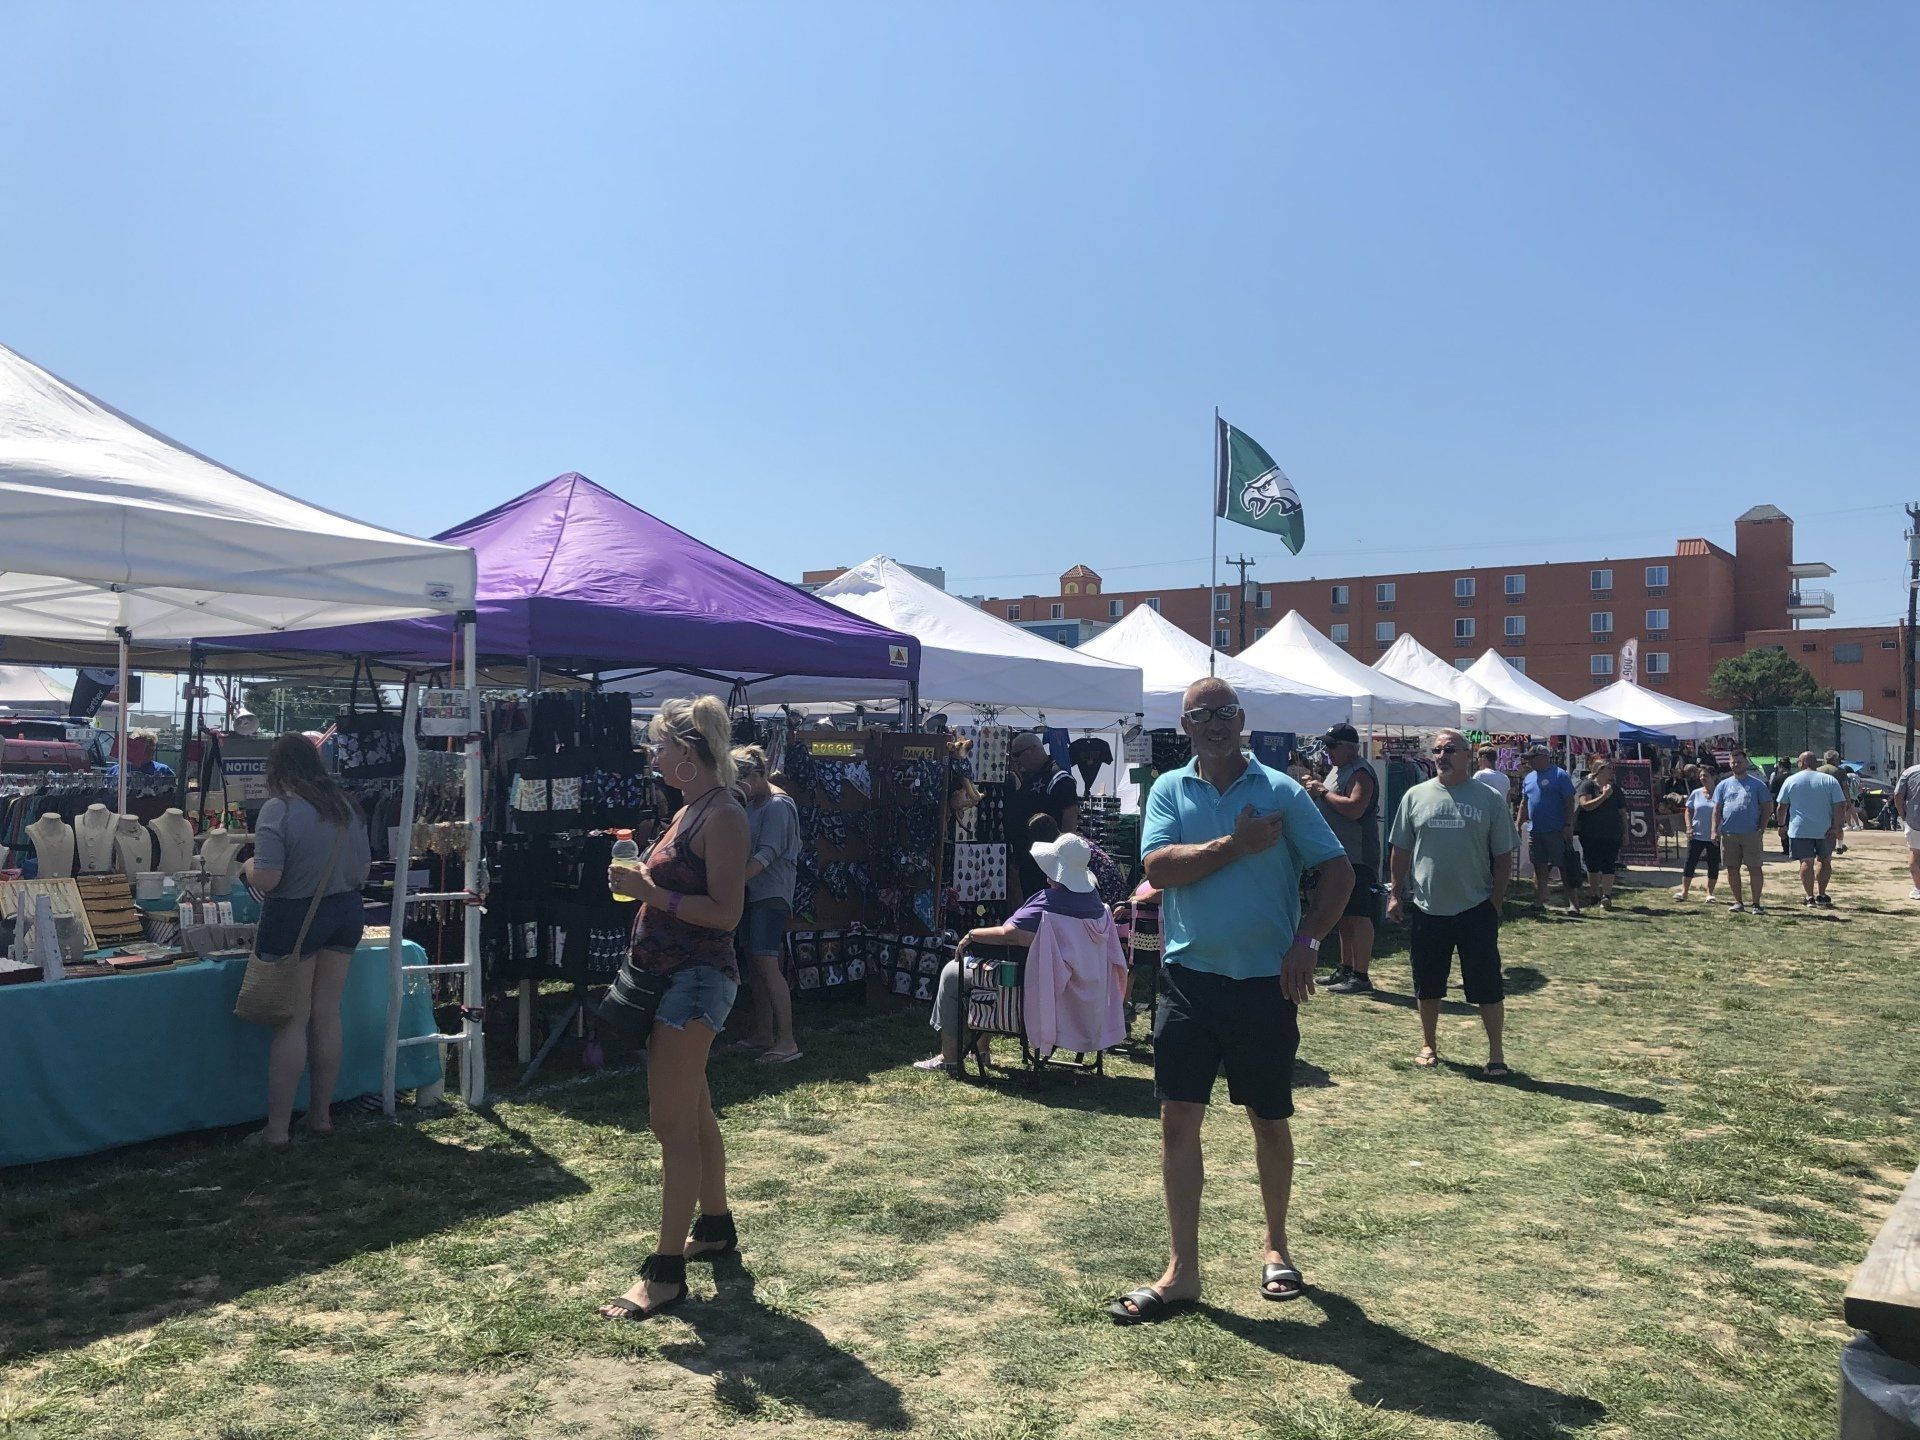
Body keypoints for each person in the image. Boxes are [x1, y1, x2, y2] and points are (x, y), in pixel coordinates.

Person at [1110, 677, 1354, 1324]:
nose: (1215, 723)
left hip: (1263, 985)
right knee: (1177, 1120)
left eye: (1225, 713)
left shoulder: (1280, 790)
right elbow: (1158, 870)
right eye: (1202, 715)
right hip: (1189, 979)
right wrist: (1235, 846)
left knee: (1269, 1120)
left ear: (1242, 719)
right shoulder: (1168, 788)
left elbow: (1338, 870)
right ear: (1185, 726)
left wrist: (1308, 938)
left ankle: (1276, 1245)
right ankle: (1181, 1271)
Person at [599, 696, 750, 1324]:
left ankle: (664, 1274)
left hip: (695, 982)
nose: (652, 757)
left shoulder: (725, 816)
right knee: (694, 1111)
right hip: (672, 977)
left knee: (671, 1125)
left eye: (658, 747)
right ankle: (714, 1227)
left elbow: (726, 914)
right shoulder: (693, 807)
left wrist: (650, 893)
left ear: (687, 755)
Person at [239, 734, 374, 1146]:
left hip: (296, 915)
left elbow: (268, 878)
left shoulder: (278, 810)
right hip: (347, 910)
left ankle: (277, 1130)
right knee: (327, 1012)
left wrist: (245, 865)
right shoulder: (347, 805)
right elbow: (364, 868)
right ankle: (321, 1116)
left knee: (292, 1020)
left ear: (276, 769)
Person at [914, 830, 1111, 1076]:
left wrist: (972, 934)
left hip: (1036, 992)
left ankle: (950, 1055)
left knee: (954, 973)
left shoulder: (1048, 905)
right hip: (1082, 996)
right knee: (994, 969)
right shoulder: (1097, 906)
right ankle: (980, 1049)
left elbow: (1011, 934)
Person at [1387, 728, 1518, 1076]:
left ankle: (1496, 1053)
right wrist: (1395, 892)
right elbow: (1400, 850)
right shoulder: (1415, 796)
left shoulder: (1489, 799)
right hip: (1428, 907)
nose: (1442, 756)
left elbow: (1503, 855)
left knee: (1487, 984)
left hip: (1476, 907)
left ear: (1467, 755)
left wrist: (1495, 900)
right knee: (1427, 981)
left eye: (1449, 749)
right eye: (1437, 750)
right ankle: (1429, 1044)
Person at [729, 746, 803, 1064]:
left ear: (757, 774)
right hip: (751, 892)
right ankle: (764, 1033)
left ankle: (787, 1041)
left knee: (768, 964)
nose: (738, 789)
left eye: (741, 780)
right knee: (756, 964)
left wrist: (730, 884)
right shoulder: (754, 802)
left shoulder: (777, 805)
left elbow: (766, 854)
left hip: (771, 894)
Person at [1304, 723, 1381, 995]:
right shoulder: (1338, 770)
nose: (1327, 751)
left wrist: (1322, 792)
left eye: (1332, 745)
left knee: (1358, 914)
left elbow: (1355, 808)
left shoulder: (1361, 772)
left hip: (1358, 854)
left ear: (1351, 747)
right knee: (1343, 914)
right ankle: (1346, 968)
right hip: (1338, 854)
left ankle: (1361, 975)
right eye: (1326, 745)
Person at [1006, 731, 1080, 898]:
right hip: (1029, 857)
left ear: (1032, 749)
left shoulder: (1058, 777)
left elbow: (1070, 816)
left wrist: (1064, 858)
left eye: (1017, 754)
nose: (1016, 760)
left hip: (1047, 860)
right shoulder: (1032, 775)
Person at [1776, 750, 1847, 909]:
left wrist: (1781, 825)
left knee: (1806, 861)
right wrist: (1836, 826)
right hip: (1825, 828)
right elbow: (1840, 805)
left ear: (1801, 763)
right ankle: (1822, 894)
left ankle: (1809, 897)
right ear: (1816, 763)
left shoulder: (1791, 780)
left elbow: (1782, 806)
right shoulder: (1829, 780)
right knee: (1825, 860)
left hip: (1800, 828)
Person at [1517, 745, 1580, 914]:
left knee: (1564, 867)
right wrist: (1518, 824)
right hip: (1535, 830)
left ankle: (1573, 903)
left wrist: (1568, 825)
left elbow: (1569, 801)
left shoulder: (1560, 775)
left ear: (1543, 757)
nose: (1528, 761)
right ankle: (1539, 901)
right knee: (1539, 866)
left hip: (1557, 830)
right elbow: (1524, 803)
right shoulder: (1529, 778)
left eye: (1532, 758)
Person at [1712, 749, 1775, 915]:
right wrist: (1714, 830)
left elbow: (1767, 807)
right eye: (1733, 762)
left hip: (1751, 833)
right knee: (1732, 868)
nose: (1736, 764)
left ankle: (1756, 904)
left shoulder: (1757, 784)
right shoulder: (1723, 785)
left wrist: (1762, 827)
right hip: (1728, 833)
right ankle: (1738, 902)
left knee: (1754, 868)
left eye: (1739, 761)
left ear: (1746, 763)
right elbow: (1717, 809)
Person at [1574, 756, 1627, 911]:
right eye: (1608, 768)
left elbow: (1622, 812)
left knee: (1609, 863)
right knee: (1592, 863)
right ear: (1599, 771)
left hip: (1612, 832)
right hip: (1590, 832)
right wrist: (1604, 796)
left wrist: (1626, 832)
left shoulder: (1615, 789)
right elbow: (1585, 806)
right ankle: (1594, 893)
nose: (1612, 771)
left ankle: (1607, 895)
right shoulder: (1588, 786)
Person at [1673, 764, 1722, 902]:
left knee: (1713, 864)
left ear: (1714, 777)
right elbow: (1688, 810)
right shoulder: (1696, 793)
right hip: (1696, 834)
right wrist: (1689, 827)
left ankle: (1710, 893)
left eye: (1705, 776)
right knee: (1690, 863)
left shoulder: (1720, 793)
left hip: (1714, 836)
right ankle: (1684, 892)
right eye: (1701, 776)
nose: (1702, 779)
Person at [1818, 750, 1859, 853]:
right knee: (1838, 824)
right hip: (1837, 801)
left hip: (1821, 801)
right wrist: (1849, 802)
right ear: (1836, 759)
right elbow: (1845, 787)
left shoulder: (1818, 770)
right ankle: (1839, 845)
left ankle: (1820, 843)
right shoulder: (1840, 771)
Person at [1895, 759, 1920, 900]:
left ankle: (1918, 888)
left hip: (1915, 818)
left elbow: (1898, 795)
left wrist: (1902, 813)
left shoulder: (1909, 772)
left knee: (1915, 854)